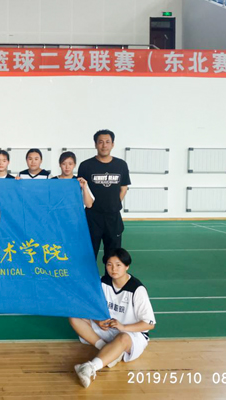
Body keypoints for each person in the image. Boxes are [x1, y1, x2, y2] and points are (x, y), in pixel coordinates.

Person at [70, 248, 155, 388]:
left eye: (118, 265)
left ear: (127, 266)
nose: (113, 269)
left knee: (123, 337)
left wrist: (123, 327)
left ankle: (89, 368)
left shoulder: (137, 289)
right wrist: (97, 321)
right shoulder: (102, 282)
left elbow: (149, 324)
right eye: (109, 264)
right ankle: (107, 349)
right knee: (74, 317)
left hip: (132, 334)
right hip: (107, 328)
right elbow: (87, 306)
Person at [78, 129, 131, 268]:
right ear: (95, 144)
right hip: (92, 217)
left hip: (113, 217)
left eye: (107, 142)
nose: (104, 145)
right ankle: (89, 279)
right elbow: (81, 190)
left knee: (113, 254)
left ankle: (110, 279)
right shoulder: (85, 165)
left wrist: (114, 204)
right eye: (100, 142)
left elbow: (123, 188)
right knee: (88, 254)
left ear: (113, 144)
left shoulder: (121, 165)